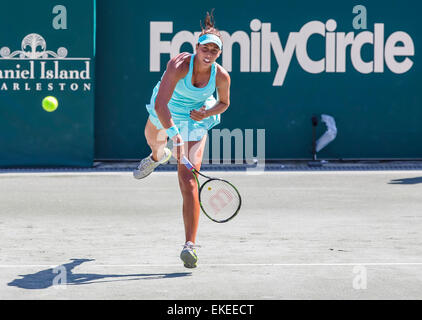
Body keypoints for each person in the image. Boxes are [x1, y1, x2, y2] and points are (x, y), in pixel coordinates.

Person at [133, 10, 231, 268]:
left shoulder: (221, 76)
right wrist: (175, 138)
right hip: (167, 110)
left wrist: (206, 112)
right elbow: (161, 103)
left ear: (219, 53)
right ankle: (157, 156)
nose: (209, 53)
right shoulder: (179, 65)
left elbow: (224, 103)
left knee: (189, 180)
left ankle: (190, 245)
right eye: (205, 48)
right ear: (196, 48)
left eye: (214, 50)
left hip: (194, 121)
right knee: (155, 143)